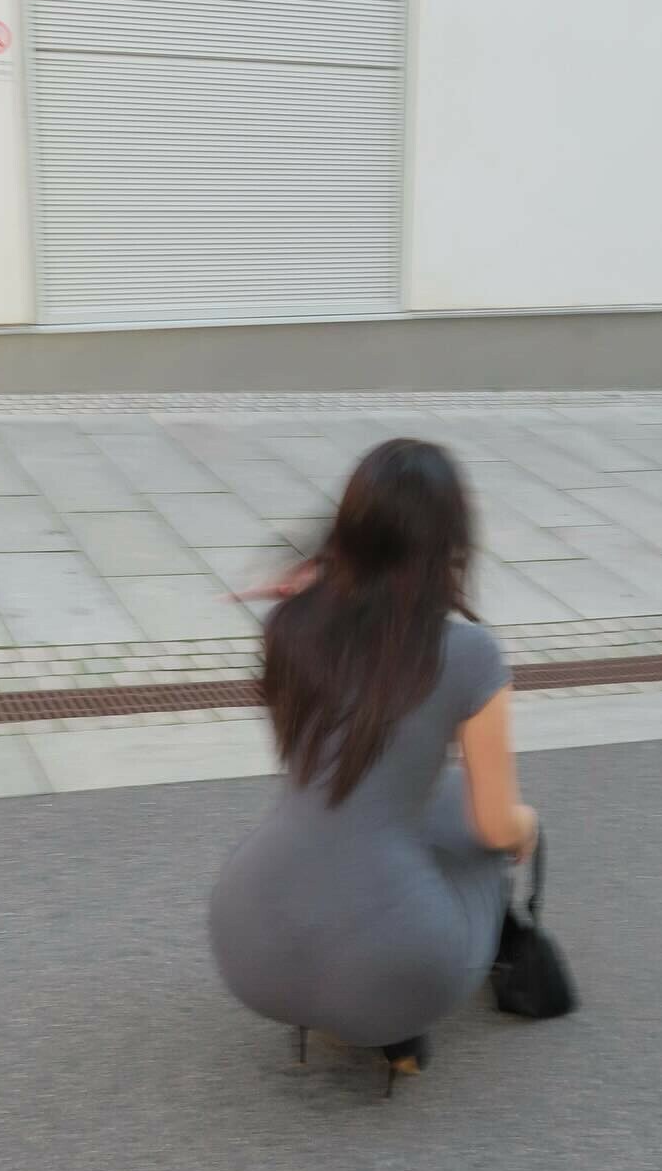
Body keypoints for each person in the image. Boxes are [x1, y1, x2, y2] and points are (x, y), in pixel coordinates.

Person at [208, 438, 539, 1093]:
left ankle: (350, 994)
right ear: (449, 540)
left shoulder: (287, 626)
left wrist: (313, 577)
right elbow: (496, 824)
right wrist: (527, 826)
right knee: (483, 841)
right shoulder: (469, 653)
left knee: (412, 803)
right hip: (396, 966)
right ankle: (389, 1012)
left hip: (246, 943)